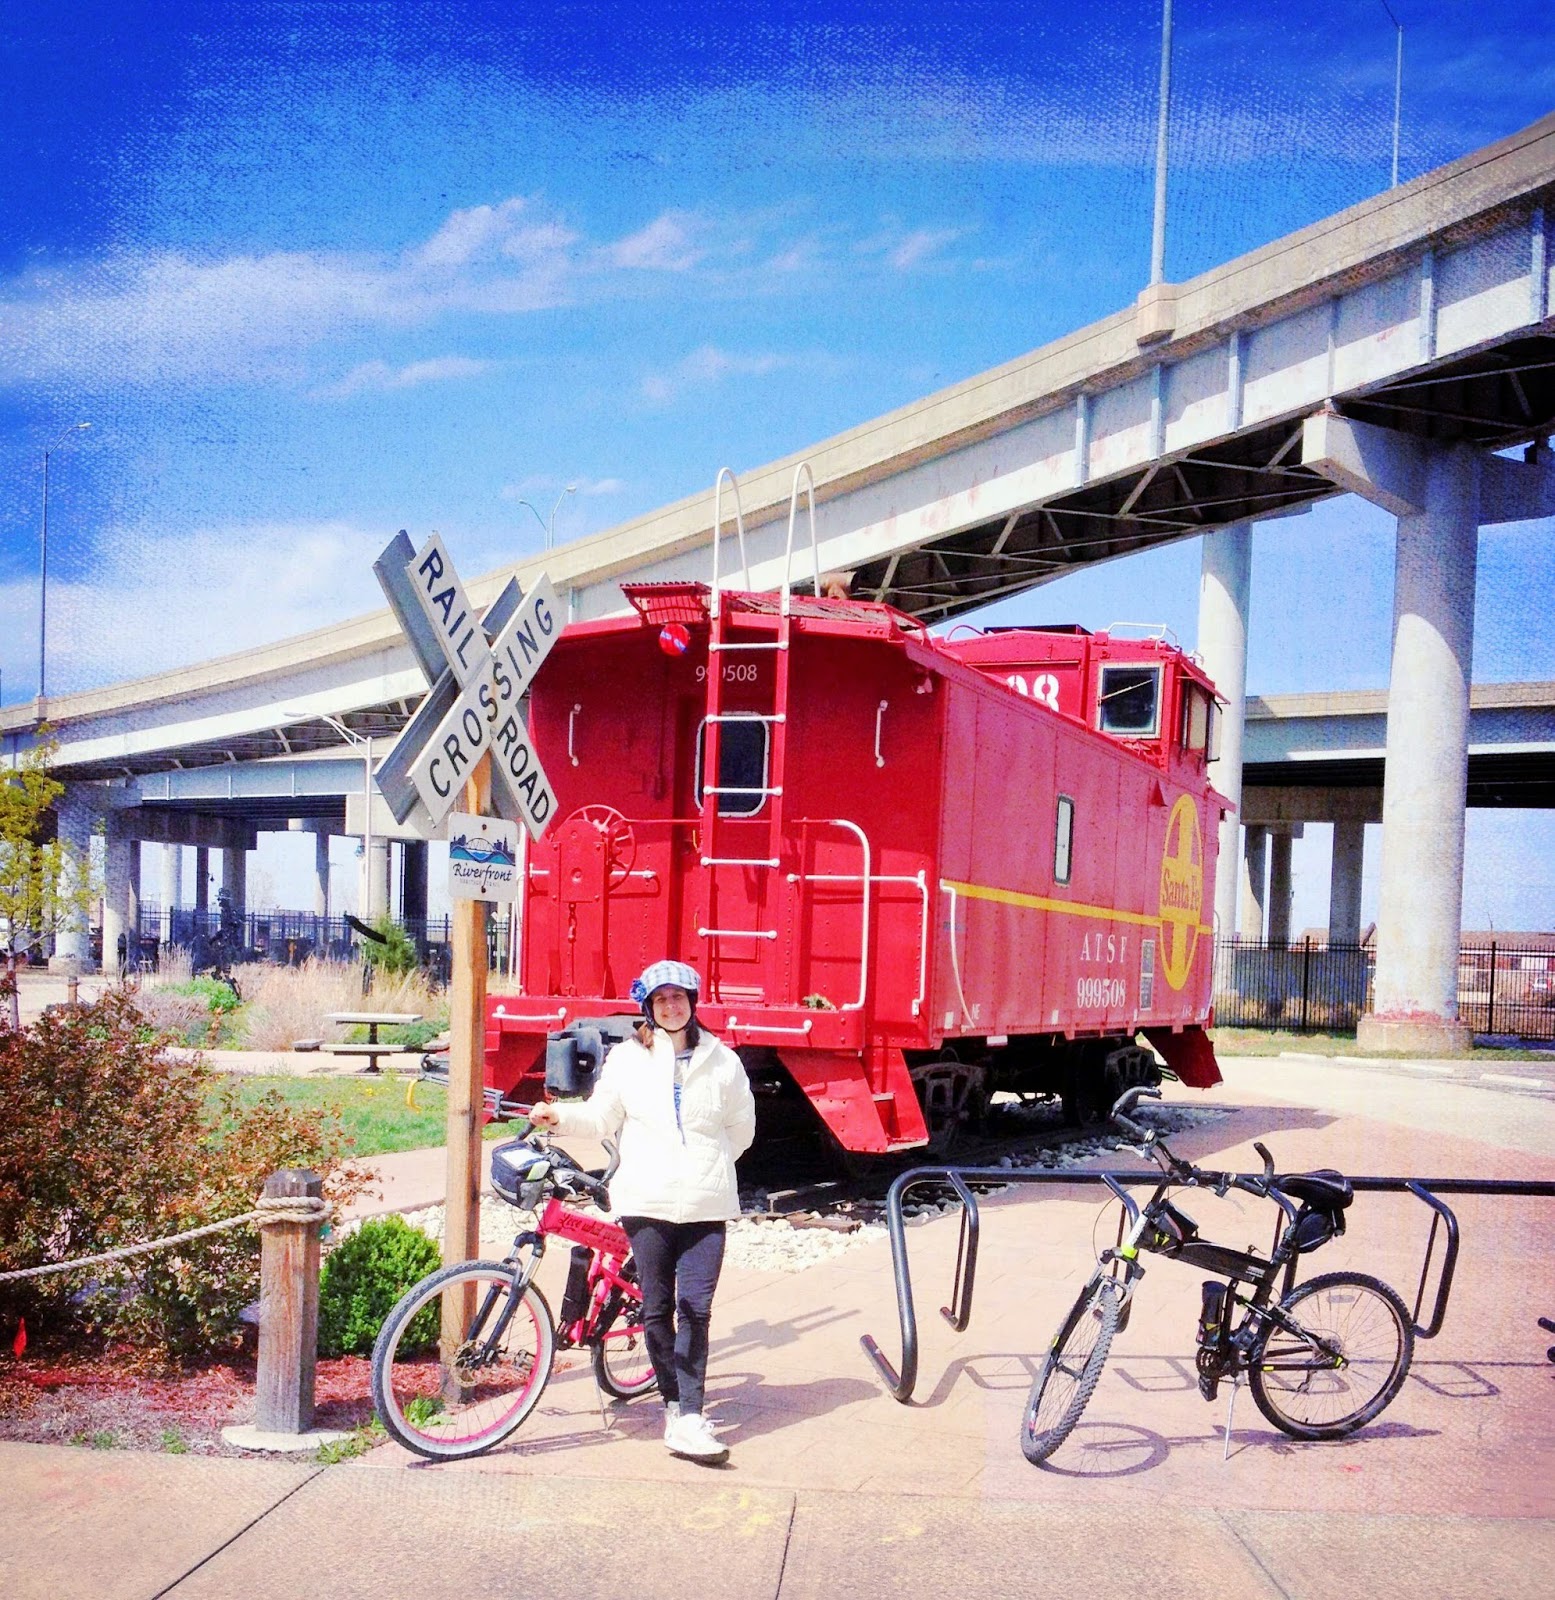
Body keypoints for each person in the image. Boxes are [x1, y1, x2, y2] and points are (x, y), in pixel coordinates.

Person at [528, 959, 756, 1464]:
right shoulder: (628, 1061)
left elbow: (742, 1131)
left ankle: (692, 1414)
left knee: (696, 1307)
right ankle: (676, 1408)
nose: (671, 1006)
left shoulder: (724, 1062)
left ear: (692, 1003)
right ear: (648, 1009)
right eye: (660, 1000)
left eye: (678, 998)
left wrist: (705, 1164)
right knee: (657, 1308)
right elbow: (602, 1117)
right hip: (646, 1201)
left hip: (705, 1203)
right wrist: (559, 1115)